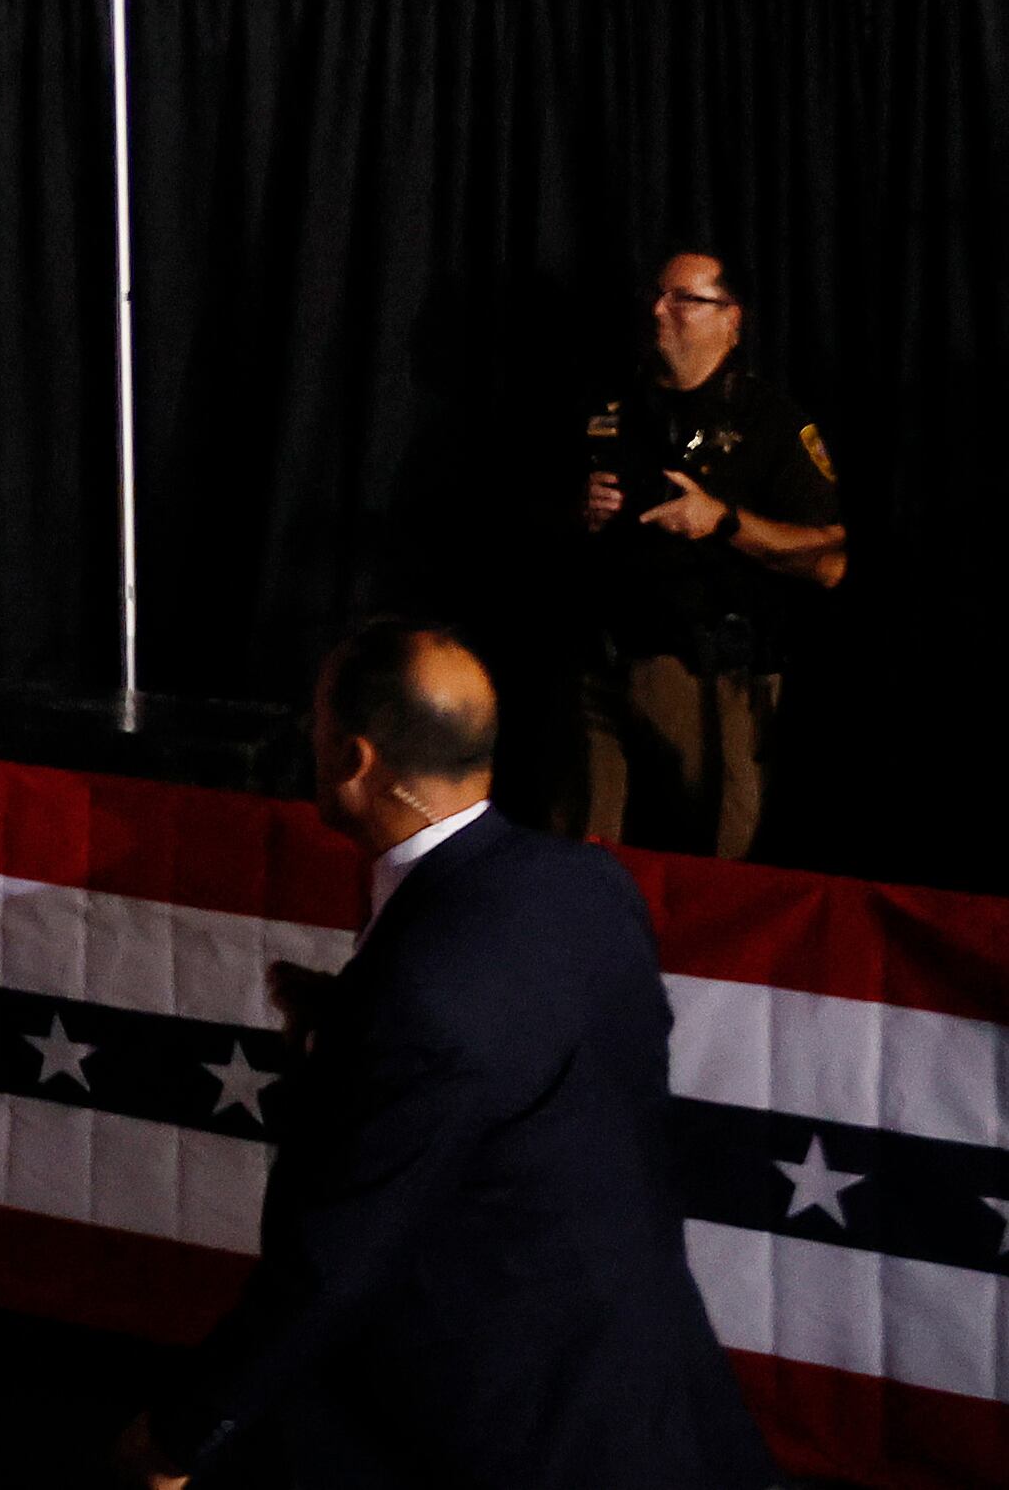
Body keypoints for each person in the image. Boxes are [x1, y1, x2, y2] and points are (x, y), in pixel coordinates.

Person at [121, 623, 764, 1490]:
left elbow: (334, 1263)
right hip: (650, 1402)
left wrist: (178, 1439)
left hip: (499, 1439)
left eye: (313, 726)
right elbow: (515, 1058)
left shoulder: (423, 997)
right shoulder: (589, 886)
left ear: (354, 758)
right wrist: (354, 1016)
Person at [570, 250, 844, 861]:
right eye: (657, 294)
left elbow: (830, 559)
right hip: (602, 666)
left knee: (716, 867)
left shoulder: (771, 423)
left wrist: (721, 521)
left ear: (731, 319)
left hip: (708, 679)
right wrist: (577, 510)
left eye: (683, 298)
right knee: (581, 858)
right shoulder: (612, 408)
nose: (658, 309)